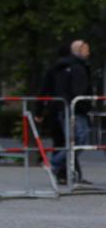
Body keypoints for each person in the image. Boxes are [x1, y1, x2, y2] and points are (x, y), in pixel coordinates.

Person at [42, 40, 92, 185]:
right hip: (71, 108)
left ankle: (64, 169)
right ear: (78, 51)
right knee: (79, 139)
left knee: (74, 140)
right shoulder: (74, 67)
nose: (88, 52)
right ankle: (56, 164)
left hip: (67, 107)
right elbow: (78, 89)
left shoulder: (70, 66)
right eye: (86, 49)